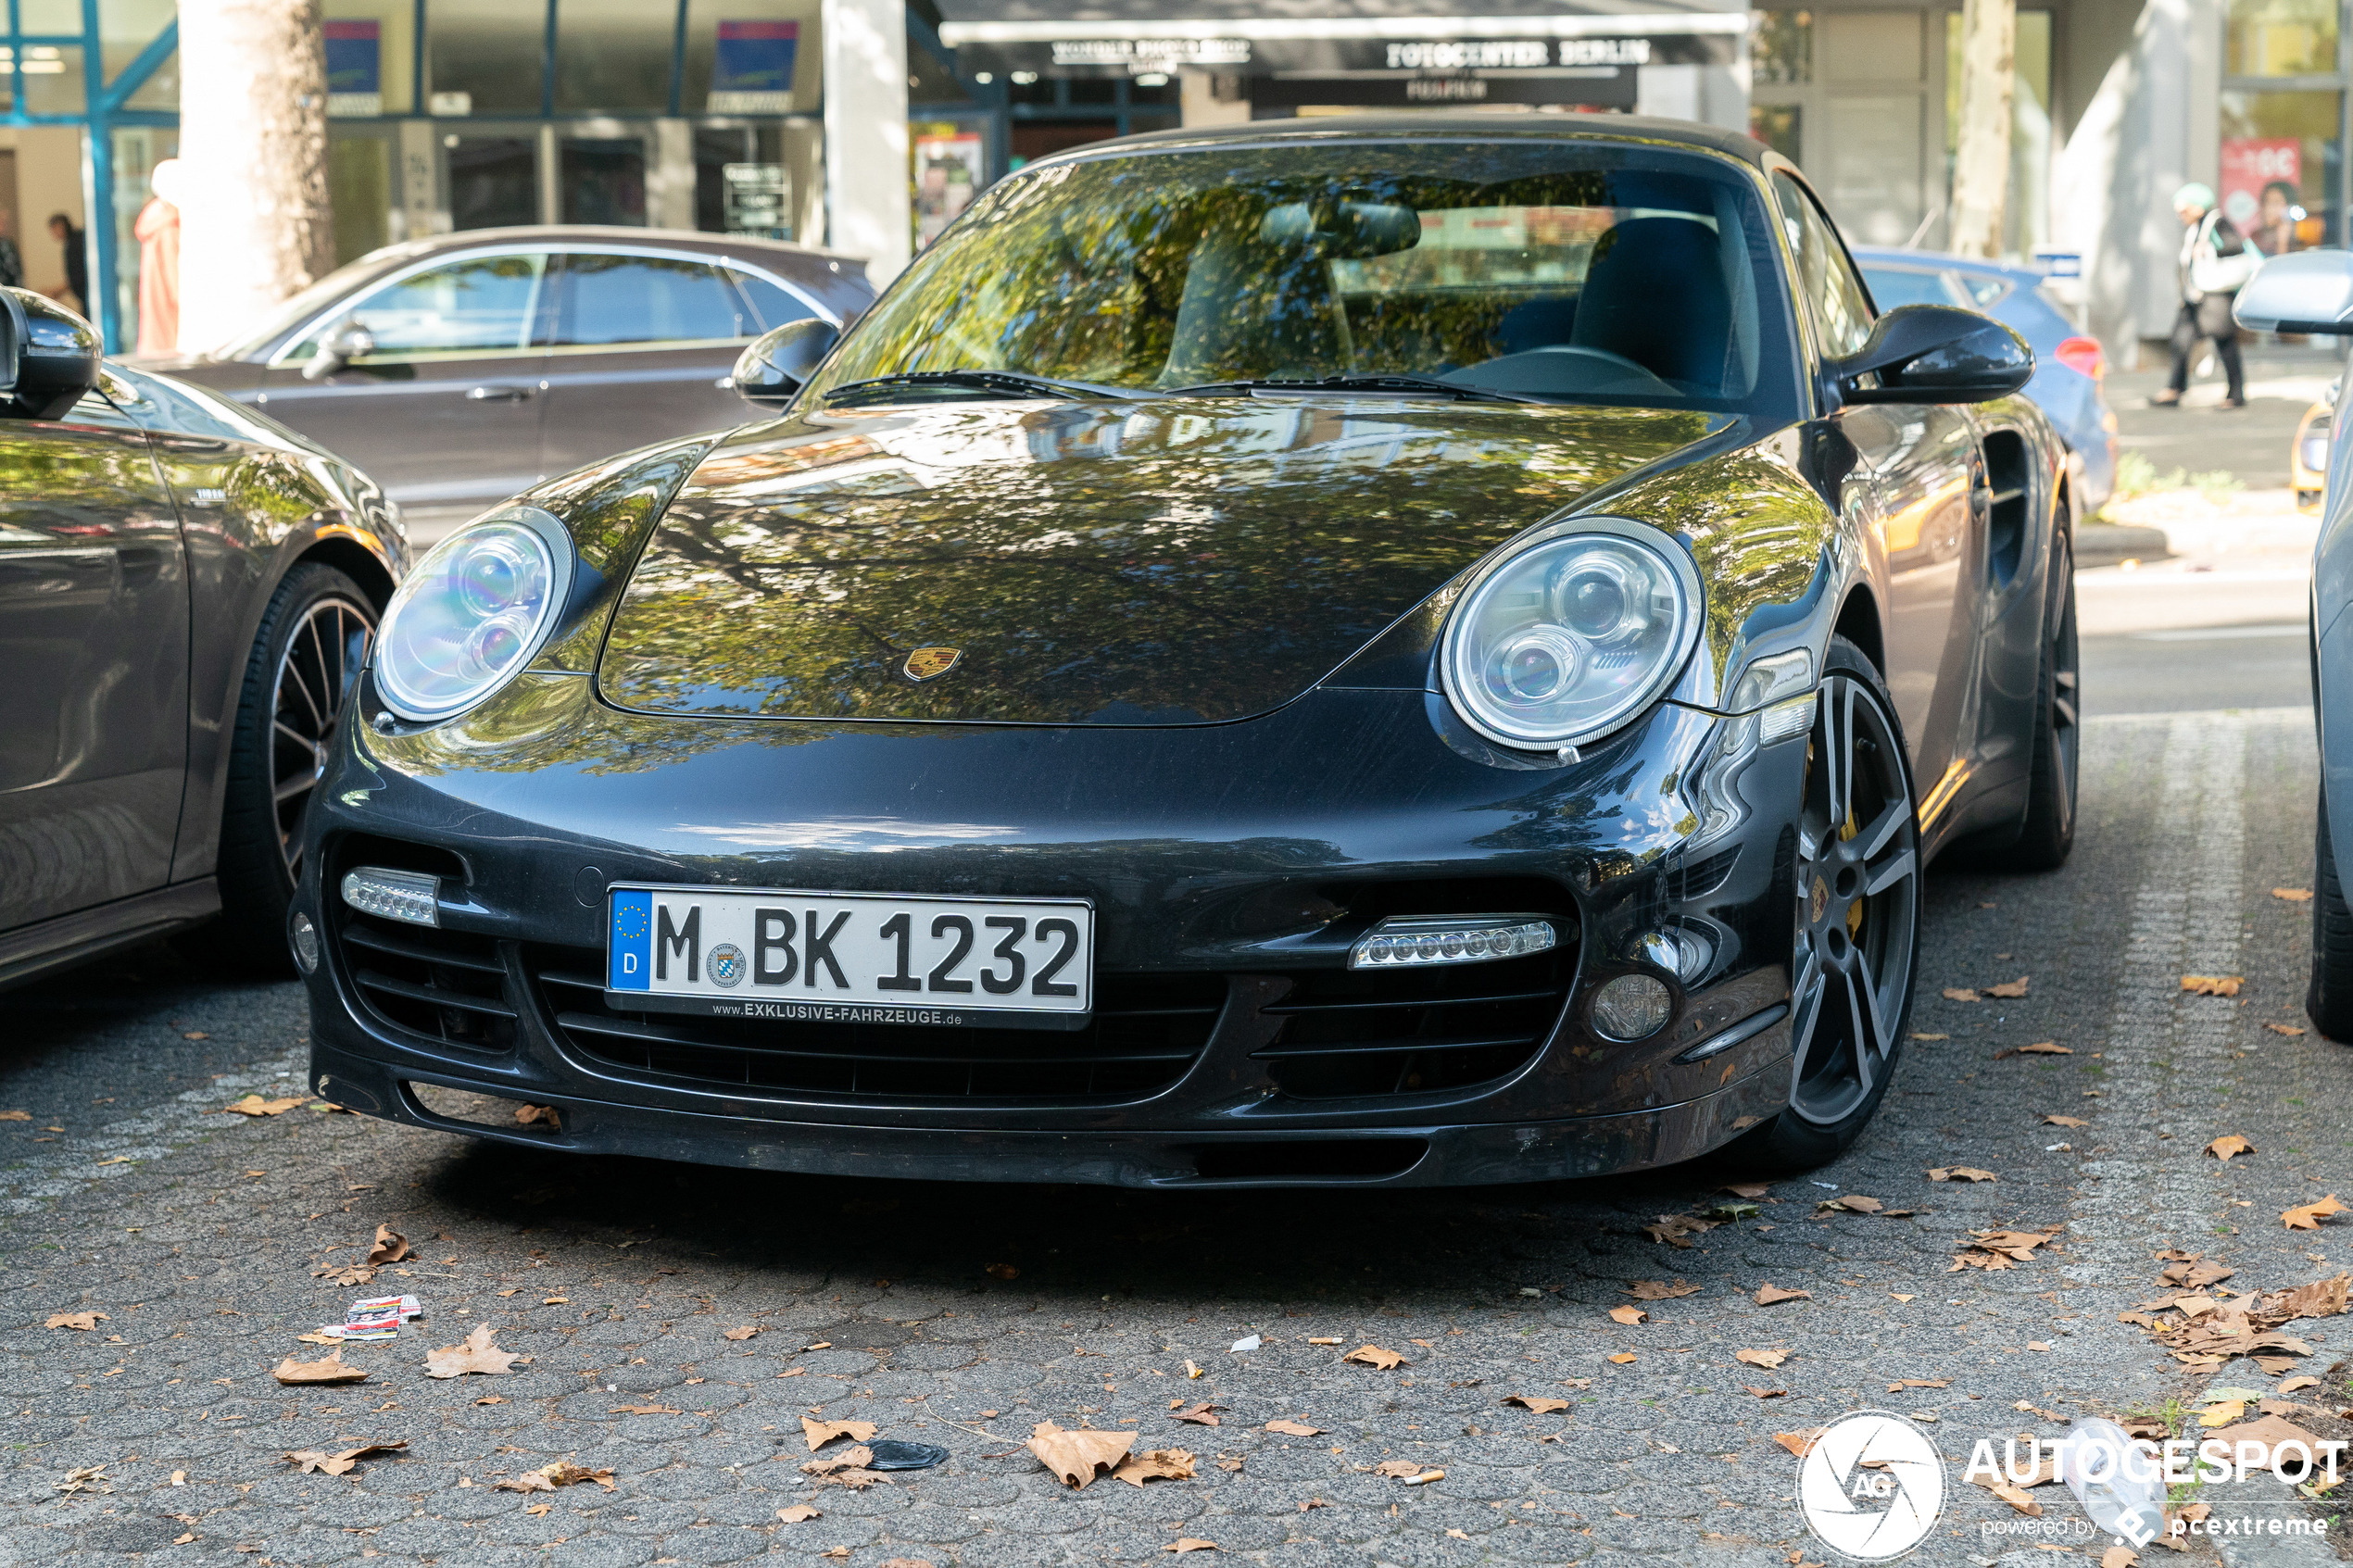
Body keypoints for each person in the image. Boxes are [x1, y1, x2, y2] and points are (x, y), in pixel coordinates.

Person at [2154, 182, 2255, 409]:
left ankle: (2236, 394)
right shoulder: (2195, 227)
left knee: (2225, 344)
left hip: (2215, 297)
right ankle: (2175, 388)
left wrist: (2208, 249)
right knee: (2180, 341)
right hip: (2195, 298)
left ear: (2198, 207)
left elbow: (2235, 247)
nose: (2180, 215)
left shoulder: (2217, 223)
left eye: (2184, 210)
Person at [132, 160, 182, 358]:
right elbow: (174, 277)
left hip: (157, 308)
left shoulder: (155, 215)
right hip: (169, 312)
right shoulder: (168, 224)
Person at [44, 212, 85, 316]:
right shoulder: (75, 241)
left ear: (60, 226)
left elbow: (78, 276)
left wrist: (57, 291)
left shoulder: (74, 245)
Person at [0, 210, 21, 289]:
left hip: (10, 289)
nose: (3, 227)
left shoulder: (8, 244)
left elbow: (17, 272)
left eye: (4, 223)